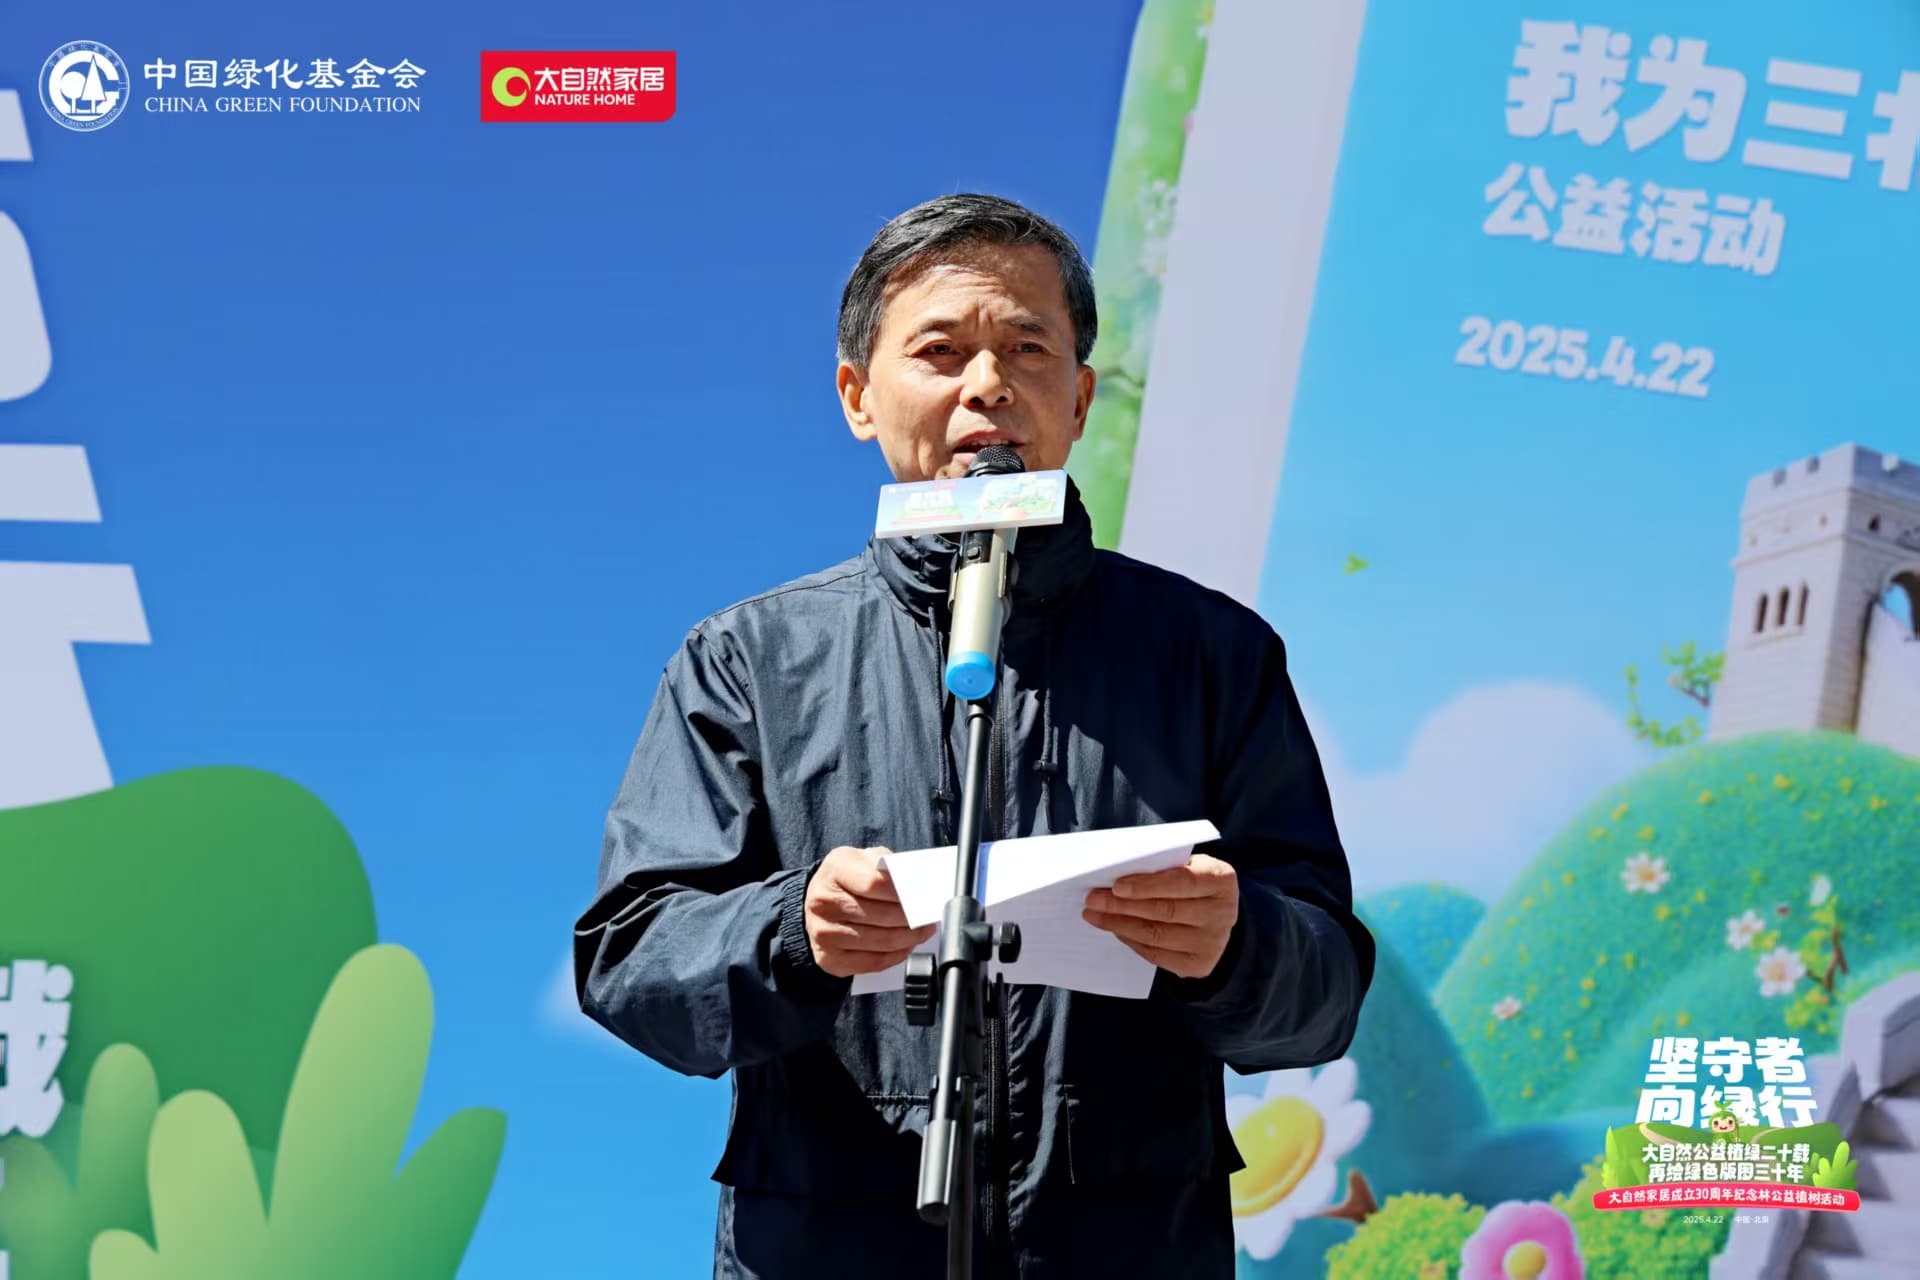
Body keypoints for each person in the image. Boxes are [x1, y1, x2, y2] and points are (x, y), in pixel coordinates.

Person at [574, 193, 1374, 1279]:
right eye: (940, 351)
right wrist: (792, 929)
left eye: (1028, 348)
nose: (987, 384)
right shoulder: (749, 661)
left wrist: (1238, 942)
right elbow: (633, 960)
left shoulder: (1212, 654)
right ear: (858, 396)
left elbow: (1324, 996)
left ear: (1080, 397)